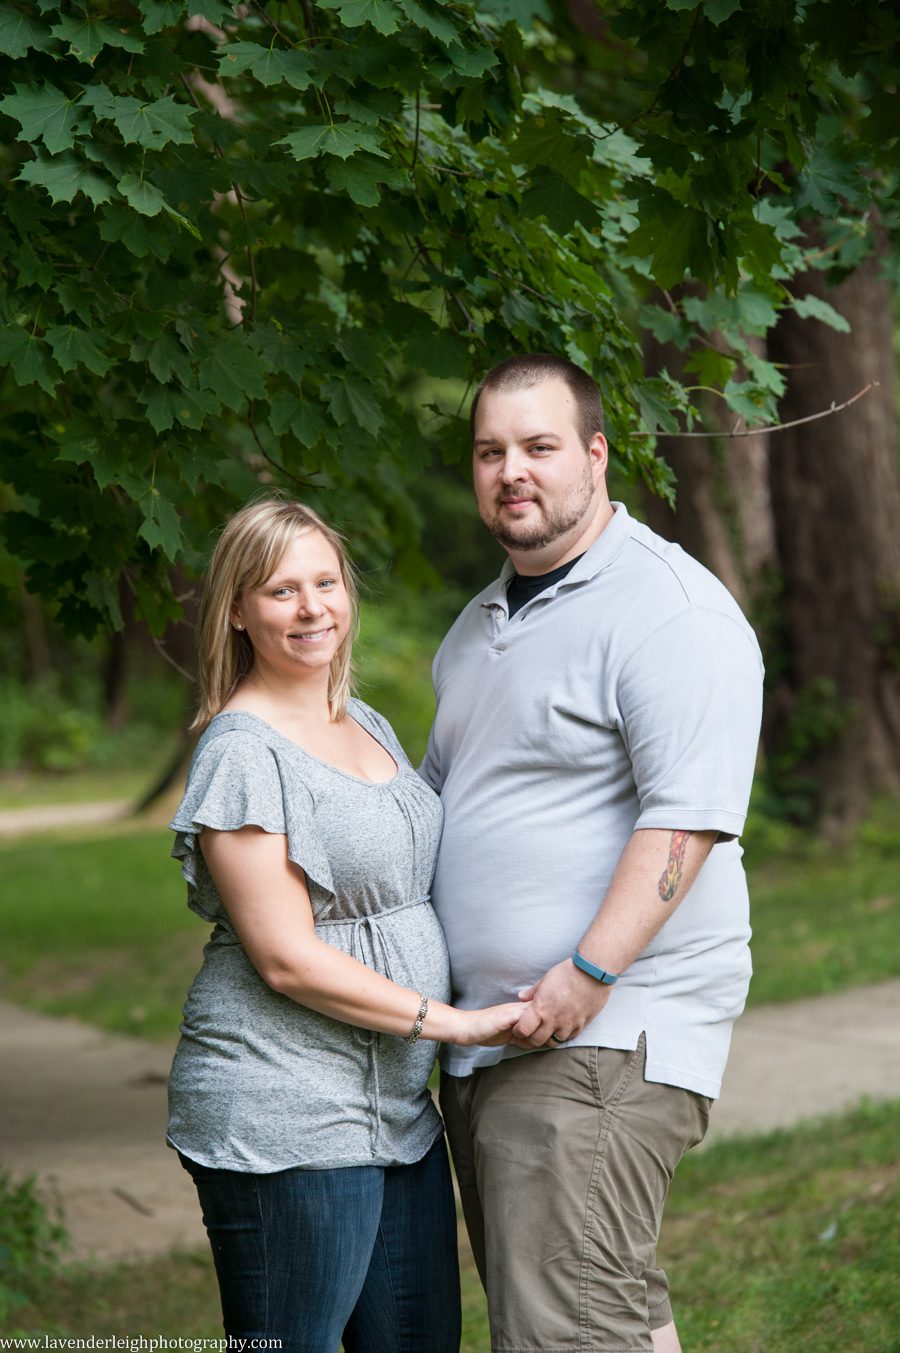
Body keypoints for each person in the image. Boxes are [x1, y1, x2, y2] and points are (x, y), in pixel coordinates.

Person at [421, 354, 764, 1353]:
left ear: (597, 454)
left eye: (539, 447)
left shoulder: (669, 611)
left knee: (563, 1327)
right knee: (606, 1310)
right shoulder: (481, 624)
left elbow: (685, 820)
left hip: (601, 1036)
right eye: (491, 452)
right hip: (498, 1038)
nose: (511, 472)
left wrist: (587, 973)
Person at [166, 495, 526, 1353]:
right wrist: (454, 1023)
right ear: (240, 611)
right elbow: (286, 958)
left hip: (397, 1114)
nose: (312, 606)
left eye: (325, 581)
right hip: (283, 1113)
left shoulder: (363, 721)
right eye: (281, 590)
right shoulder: (243, 751)